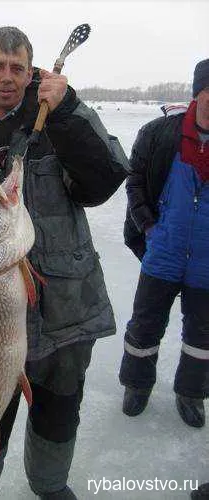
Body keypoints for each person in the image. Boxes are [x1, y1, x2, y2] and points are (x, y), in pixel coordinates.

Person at [0, 26, 128, 499]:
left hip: (68, 314)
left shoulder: (57, 126)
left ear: (31, 73)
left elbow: (106, 177)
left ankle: (50, 486)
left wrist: (70, 109)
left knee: (58, 415)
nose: (7, 77)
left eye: (18, 68)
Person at [120, 58, 209, 428]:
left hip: (206, 260)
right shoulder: (160, 133)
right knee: (145, 324)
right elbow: (135, 180)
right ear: (197, 93)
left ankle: (191, 393)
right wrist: (148, 226)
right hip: (164, 249)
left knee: (202, 335)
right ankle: (137, 385)